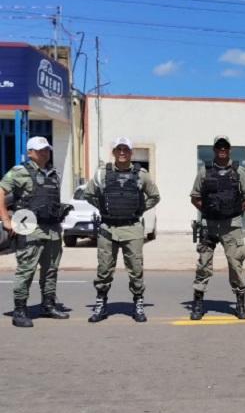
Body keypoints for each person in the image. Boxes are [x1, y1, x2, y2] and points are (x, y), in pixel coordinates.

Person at [84, 137, 160, 323]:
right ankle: (101, 304)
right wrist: (103, 207)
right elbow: (89, 194)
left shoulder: (141, 174)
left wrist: (140, 208)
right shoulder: (102, 174)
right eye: (119, 149)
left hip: (132, 227)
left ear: (131, 152)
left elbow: (155, 196)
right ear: (114, 152)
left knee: (135, 268)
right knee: (104, 269)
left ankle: (138, 303)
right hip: (107, 228)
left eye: (126, 149)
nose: (122, 152)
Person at [0, 136, 70, 327]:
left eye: (47, 149)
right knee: (26, 270)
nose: (44, 153)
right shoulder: (19, 171)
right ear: (30, 152)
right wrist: (6, 219)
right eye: (40, 150)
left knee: (51, 270)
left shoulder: (53, 172)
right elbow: (1, 190)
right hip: (29, 227)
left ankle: (48, 305)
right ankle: (20, 310)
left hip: (53, 229)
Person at [190, 136, 245, 320]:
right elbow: (195, 197)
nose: (222, 149)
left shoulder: (238, 172)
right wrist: (208, 210)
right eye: (219, 147)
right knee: (203, 264)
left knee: (235, 264)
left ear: (230, 150)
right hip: (209, 225)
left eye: (225, 147)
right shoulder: (205, 172)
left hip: (231, 226)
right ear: (214, 149)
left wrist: (233, 211)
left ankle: (240, 304)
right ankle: (198, 304)